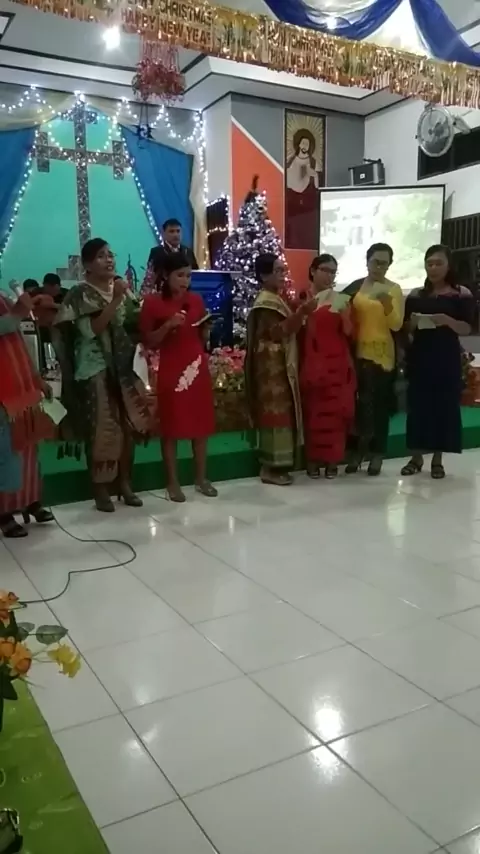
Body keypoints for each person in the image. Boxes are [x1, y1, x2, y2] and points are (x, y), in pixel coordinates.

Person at [53, 238, 151, 513]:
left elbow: (133, 324)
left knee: (127, 426)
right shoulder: (80, 295)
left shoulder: (121, 290)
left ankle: (125, 483)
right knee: (103, 428)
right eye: (100, 256)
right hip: (94, 368)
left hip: (124, 367)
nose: (108, 260)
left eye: (110, 254)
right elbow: (91, 331)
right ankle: (100, 488)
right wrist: (117, 299)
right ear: (87, 265)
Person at [140, 252, 216, 503]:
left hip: (196, 365)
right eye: (180, 275)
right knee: (171, 427)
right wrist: (167, 325)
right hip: (172, 368)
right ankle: (172, 482)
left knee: (201, 426)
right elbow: (148, 341)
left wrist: (206, 330)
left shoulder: (196, 300)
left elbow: (200, 338)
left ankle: (201, 478)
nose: (185, 281)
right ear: (166, 275)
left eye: (189, 276)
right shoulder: (152, 303)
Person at [401, 244, 474, 479]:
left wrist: (446, 320)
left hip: (446, 358)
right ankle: (415, 457)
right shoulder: (416, 295)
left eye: (438, 263)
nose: (433, 268)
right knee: (418, 408)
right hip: (420, 357)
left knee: (443, 407)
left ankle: (437, 460)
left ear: (449, 266)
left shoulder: (461, 294)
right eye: (429, 263)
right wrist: (411, 324)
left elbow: (467, 328)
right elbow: (405, 329)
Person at [245, 252, 312, 486]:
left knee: (282, 413)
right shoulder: (266, 302)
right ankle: (270, 468)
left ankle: (278, 466)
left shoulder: (276, 298)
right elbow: (278, 332)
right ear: (264, 276)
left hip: (278, 363)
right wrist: (302, 313)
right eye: (277, 271)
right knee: (275, 415)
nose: (283, 275)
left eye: (283, 270)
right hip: (271, 367)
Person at [343, 242, 404, 476]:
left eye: (384, 264)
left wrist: (387, 304)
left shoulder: (394, 289)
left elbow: (396, 324)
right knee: (359, 405)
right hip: (357, 352)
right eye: (375, 262)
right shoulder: (356, 287)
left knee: (379, 406)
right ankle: (356, 452)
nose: (379, 267)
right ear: (367, 262)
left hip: (382, 355)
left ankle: (377, 454)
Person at [0, 290, 53, 538]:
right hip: (3, 394)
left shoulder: (2, 297)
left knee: (29, 449)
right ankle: (4, 513)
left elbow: (19, 339)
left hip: (21, 387)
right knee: (6, 453)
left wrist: (37, 378)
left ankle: (30, 501)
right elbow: (9, 323)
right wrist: (19, 312)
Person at [299, 254, 356, 479]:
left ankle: (333, 460)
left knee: (336, 412)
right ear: (313, 271)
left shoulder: (341, 299)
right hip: (313, 360)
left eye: (333, 272)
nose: (329, 276)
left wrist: (345, 316)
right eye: (325, 270)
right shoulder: (302, 297)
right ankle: (313, 460)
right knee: (314, 410)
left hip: (337, 361)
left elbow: (349, 332)